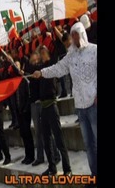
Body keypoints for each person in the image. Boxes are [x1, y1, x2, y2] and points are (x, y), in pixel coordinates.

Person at [33, 22, 97, 185]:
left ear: (83, 33)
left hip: (94, 104)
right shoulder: (70, 56)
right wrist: (42, 73)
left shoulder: (94, 50)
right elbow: (58, 68)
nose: (74, 37)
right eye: (73, 34)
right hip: (81, 107)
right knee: (89, 145)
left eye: (77, 33)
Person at [39, 46, 72, 176]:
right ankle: (52, 167)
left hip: (52, 106)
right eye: (40, 54)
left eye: (43, 53)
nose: (41, 56)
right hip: (43, 107)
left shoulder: (53, 64)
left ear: (47, 53)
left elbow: (57, 46)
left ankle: (67, 168)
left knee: (59, 139)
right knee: (46, 140)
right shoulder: (41, 69)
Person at [14, 61, 35, 165]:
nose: (16, 68)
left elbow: (29, 95)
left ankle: (31, 155)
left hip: (25, 110)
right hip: (19, 110)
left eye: (17, 65)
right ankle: (27, 155)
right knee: (23, 134)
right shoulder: (15, 80)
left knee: (27, 133)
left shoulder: (25, 77)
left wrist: (25, 108)